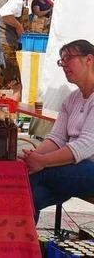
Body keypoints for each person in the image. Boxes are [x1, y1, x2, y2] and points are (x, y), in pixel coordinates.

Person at [24, 40, 94, 223]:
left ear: (89, 60)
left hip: (89, 166)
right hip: (75, 167)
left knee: (40, 174)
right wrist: (32, 158)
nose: (64, 65)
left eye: (69, 58)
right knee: (29, 194)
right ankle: (24, 246)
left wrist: (42, 162)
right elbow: (56, 138)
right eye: (61, 60)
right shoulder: (71, 99)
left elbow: (85, 146)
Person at [0, 0, 31, 88]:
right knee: (15, 83)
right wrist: (18, 26)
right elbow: (5, 13)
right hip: (5, 44)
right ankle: (11, 105)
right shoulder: (16, 0)